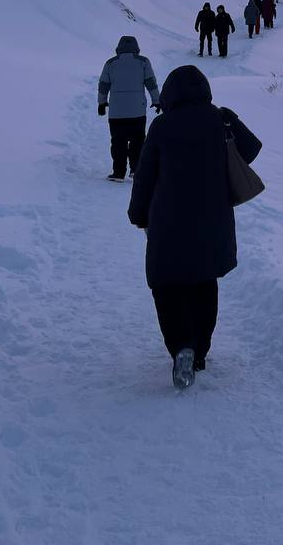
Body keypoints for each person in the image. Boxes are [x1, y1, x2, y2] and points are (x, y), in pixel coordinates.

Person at [127, 65, 262, 389]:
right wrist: (229, 120)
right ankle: (199, 351)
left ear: (171, 94)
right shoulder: (219, 119)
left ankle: (181, 347)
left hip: (167, 221)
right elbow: (251, 151)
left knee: (167, 285)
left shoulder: (161, 126)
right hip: (213, 219)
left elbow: (145, 176)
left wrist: (138, 215)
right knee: (204, 283)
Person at [97, 35, 161, 182]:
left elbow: (103, 85)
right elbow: (151, 83)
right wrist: (156, 101)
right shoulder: (143, 62)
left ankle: (118, 172)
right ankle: (136, 169)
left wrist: (101, 103)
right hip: (137, 111)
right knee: (138, 141)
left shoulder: (110, 63)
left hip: (116, 112)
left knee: (118, 141)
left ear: (118, 47)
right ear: (136, 48)